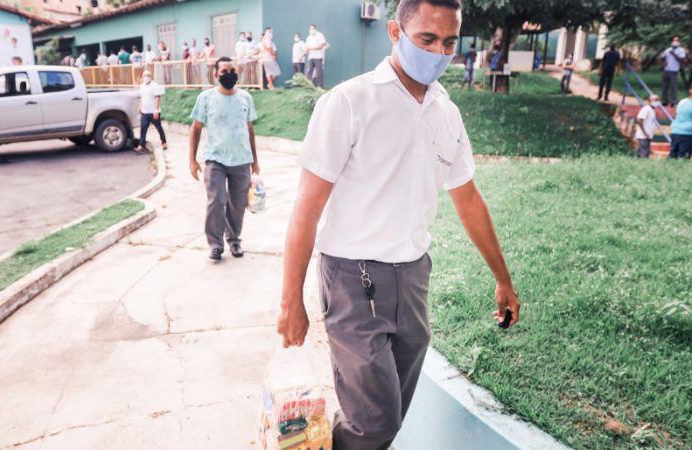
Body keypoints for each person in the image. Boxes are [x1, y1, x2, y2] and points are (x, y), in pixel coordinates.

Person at [277, 0, 520, 448]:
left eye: (449, 42)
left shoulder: (446, 113)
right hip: (353, 279)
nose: (439, 52)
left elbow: (467, 199)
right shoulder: (348, 102)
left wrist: (502, 279)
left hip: (412, 280)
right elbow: (306, 209)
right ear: (395, 32)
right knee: (376, 424)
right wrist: (292, 298)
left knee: (388, 416)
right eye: (426, 39)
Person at [189, 56, 260, 261]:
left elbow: (250, 129)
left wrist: (255, 159)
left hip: (241, 160)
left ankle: (234, 240)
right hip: (215, 159)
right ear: (215, 75)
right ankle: (215, 245)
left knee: (237, 205)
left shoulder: (246, 97)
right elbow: (195, 129)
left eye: (232, 71)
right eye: (224, 72)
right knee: (216, 201)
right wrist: (192, 161)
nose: (229, 75)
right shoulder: (206, 98)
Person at [668, 88, 692, 159]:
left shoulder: (683, 102)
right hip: (688, 133)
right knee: (684, 155)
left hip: (676, 130)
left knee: (674, 153)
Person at [137, 69, 167, 153]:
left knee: (159, 128)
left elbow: (157, 98)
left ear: (151, 77)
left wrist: (156, 110)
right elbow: (142, 97)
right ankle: (141, 145)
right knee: (143, 128)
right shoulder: (142, 86)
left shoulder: (155, 86)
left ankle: (164, 142)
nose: (146, 77)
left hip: (153, 112)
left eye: (148, 76)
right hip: (145, 112)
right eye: (144, 76)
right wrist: (140, 106)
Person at [660, 36, 686, 107]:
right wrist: (663, 64)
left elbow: (682, 60)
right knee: (665, 86)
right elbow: (662, 57)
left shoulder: (681, 50)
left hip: (674, 71)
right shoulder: (668, 50)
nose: (675, 42)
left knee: (673, 87)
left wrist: (674, 54)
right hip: (666, 70)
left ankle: (673, 102)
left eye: (676, 40)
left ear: (679, 42)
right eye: (674, 40)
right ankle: (664, 101)